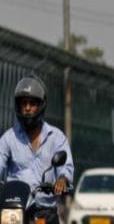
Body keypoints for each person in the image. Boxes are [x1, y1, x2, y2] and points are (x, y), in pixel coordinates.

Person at [0, 75, 74, 223]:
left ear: (41, 106)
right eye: (24, 103)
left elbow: (66, 167)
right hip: (15, 210)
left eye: (32, 103)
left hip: (43, 211)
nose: (27, 108)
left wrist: (62, 179)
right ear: (18, 106)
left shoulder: (56, 137)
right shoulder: (8, 138)